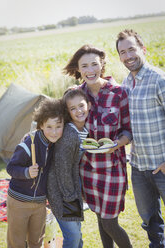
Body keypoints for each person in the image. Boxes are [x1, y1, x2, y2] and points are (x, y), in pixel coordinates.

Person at [63, 44, 133, 248]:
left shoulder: (119, 93)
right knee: (100, 219)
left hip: (112, 168)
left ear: (102, 64)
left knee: (110, 222)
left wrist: (117, 144)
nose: (90, 70)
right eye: (84, 66)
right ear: (78, 69)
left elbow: (128, 130)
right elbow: (65, 128)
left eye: (94, 64)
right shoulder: (75, 95)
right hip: (87, 169)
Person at [116, 29, 165, 248]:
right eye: (123, 52)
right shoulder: (125, 84)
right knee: (150, 222)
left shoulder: (160, 80)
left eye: (131, 49)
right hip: (138, 168)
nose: (128, 56)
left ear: (142, 49)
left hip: (164, 166)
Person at [6, 97, 64, 248]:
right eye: (49, 127)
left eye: (58, 126)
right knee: (16, 242)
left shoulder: (55, 146)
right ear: (41, 125)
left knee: (36, 242)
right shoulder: (28, 144)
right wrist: (26, 172)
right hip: (19, 201)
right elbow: (11, 168)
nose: (54, 132)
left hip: (39, 203)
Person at [47, 88, 90, 248]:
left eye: (81, 106)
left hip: (72, 188)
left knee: (77, 235)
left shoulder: (83, 130)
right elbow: (62, 169)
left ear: (89, 105)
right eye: (73, 108)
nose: (79, 111)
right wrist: (70, 197)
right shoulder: (69, 135)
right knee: (72, 235)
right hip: (61, 191)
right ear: (68, 112)